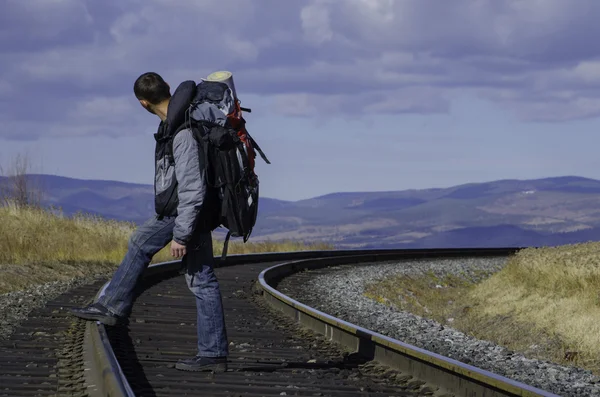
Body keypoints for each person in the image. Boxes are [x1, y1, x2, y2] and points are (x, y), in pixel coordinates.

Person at [69, 72, 229, 372]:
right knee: (201, 278)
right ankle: (213, 353)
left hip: (188, 212)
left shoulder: (182, 131)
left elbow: (192, 189)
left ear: (143, 103)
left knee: (143, 242)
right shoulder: (180, 121)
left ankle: (113, 306)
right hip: (195, 211)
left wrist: (181, 235)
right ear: (167, 87)